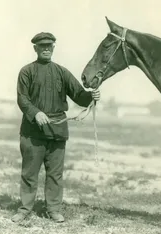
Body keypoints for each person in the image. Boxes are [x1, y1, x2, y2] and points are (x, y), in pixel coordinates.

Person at [11, 32, 100, 223]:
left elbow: (78, 95)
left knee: (55, 174)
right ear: (35, 48)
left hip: (58, 131)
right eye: (42, 46)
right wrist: (36, 113)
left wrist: (91, 96)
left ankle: (53, 209)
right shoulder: (26, 71)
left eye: (49, 46)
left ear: (53, 48)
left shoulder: (62, 72)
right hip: (32, 132)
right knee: (29, 173)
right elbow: (22, 98)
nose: (46, 49)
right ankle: (25, 208)